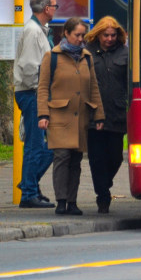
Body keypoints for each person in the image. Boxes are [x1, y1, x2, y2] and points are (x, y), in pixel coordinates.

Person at [37, 17, 105, 216]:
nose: (81, 39)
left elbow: (94, 87)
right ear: (66, 33)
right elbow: (43, 88)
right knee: (62, 156)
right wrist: (43, 114)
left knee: (76, 160)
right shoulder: (53, 56)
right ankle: (61, 200)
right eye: (77, 35)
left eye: (83, 35)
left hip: (81, 116)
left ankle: (72, 202)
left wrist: (99, 115)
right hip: (59, 115)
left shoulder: (87, 57)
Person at [13, 0, 57, 208]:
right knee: (36, 145)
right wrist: (41, 91)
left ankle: (30, 184)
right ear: (47, 8)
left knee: (47, 144)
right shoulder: (33, 32)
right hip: (32, 92)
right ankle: (29, 192)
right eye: (55, 6)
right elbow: (30, 66)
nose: (56, 9)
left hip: (34, 92)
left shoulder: (37, 30)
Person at [85, 16, 128, 214]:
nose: (109, 39)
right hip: (93, 114)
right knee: (96, 158)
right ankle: (102, 195)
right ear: (98, 34)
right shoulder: (88, 53)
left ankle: (105, 182)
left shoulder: (125, 53)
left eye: (113, 35)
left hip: (116, 113)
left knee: (116, 156)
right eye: (106, 35)